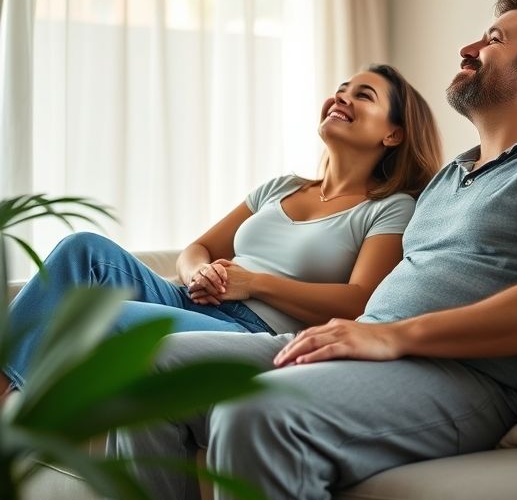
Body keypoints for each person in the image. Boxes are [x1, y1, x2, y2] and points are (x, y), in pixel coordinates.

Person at [111, 0, 517, 500]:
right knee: (145, 366)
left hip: (464, 377)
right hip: (362, 347)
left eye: (493, 39)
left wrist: (394, 337)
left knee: (252, 411)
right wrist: (366, 335)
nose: (468, 48)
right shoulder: (451, 176)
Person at [1, 64, 442, 395]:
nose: (339, 98)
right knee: (83, 249)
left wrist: (252, 283)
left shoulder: (390, 208)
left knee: (111, 320)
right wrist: (200, 273)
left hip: (252, 331)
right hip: (192, 299)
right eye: (339, 90)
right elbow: (200, 247)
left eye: (362, 95)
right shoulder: (281, 186)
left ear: (394, 135)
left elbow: (360, 301)